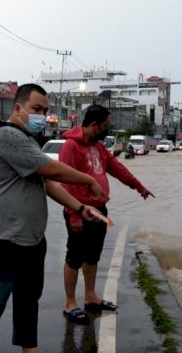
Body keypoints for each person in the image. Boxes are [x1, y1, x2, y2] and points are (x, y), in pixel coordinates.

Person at [0, 84, 104, 353]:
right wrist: (88, 180)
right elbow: (49, 168)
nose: (42, 115)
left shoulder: (27, 142)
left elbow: (46, 183)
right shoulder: (6, 136)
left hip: (29, 238)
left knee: (28, 299)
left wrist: (81, 207)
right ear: (18, 109)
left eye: (45, 110)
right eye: (37, 108)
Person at [58, 105, 154, 324]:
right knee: (74, 257)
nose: (106, 130)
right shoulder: (71, 147)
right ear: (94, 125)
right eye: (105, 126)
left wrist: (138, 187)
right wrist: (74, 214)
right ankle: (70, 303)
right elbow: (65, 183)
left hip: (99, 211)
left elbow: (117, 168)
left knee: (92, 256)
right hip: (80, 210)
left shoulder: (98, 147)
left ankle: (91, 296)